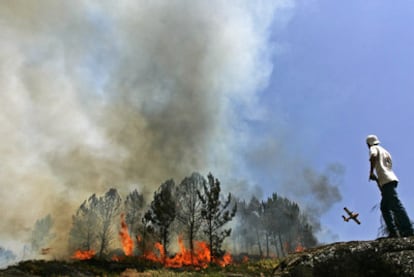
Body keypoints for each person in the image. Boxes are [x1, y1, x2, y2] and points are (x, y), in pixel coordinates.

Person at [367, 134, 413, 237]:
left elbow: (373, 156)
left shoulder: (373, 148)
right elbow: (384, 167)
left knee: (396, 205)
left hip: (386, 180)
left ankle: (408, 230)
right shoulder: (385, 151)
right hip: (390, 178)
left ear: (368, 144)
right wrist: (378, 181)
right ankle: (394, 232)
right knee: (385, 207)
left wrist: (371, 172)